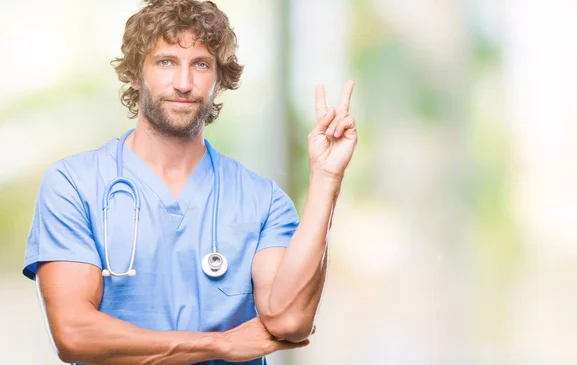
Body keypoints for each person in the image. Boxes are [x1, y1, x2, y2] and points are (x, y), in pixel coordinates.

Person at [22, 0, 357, 364]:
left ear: (219, 78)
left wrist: (326, 178)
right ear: (136, 73)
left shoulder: (262, 201)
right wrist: (218, 345)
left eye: (200, 64)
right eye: (166, 62)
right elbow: (73, 334)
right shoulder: (74, 185)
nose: (183, 83)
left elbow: (289, 320)